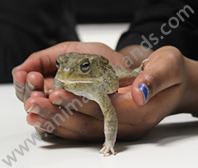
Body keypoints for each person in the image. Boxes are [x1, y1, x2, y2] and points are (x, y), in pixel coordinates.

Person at [13, 0, 198, 141]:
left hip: (102, 75)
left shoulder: (99, 87)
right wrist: (131, 55)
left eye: (83, 67)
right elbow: (166, 12)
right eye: (59, 66)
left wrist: (189, 84)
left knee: (131, 76)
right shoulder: (64, 75)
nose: (65, 71)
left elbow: (109, 112)